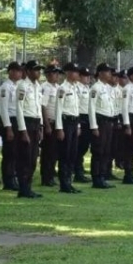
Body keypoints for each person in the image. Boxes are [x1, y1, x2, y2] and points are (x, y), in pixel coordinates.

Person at [15, 60, 44, 198]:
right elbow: (19, 109)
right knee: (25, 157)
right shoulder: (22, 85)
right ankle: (23, 188)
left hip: (35, 122)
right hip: (26, 122)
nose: (38, 72)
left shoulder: (37, 86)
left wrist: (41, 127)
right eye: (35, 70)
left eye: (39, 70)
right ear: (28, 71)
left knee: (33, 157)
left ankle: (28, 186)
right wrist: (23, 130)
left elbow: (38, 108)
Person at [55, 62, 81, 194]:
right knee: (64, 154)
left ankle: (69, 182)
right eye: (74, 72)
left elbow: (77, 109)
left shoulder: (76, 88)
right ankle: (64, 184)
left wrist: (78, 125)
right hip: (65, 122)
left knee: (72, 153)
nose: (77, 74)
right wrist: (59, 128)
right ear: (68, 73)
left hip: (74, 122)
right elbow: (58, 109)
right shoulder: (62, 88)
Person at [89, 62, 116, 189]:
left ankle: (102, 176)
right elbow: (91, 108)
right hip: (100, 122)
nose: (110, 74)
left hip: (108, 122)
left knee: (106, 151)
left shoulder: (106, 88)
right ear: (100, 73)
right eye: (107, 71)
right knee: (98, 151)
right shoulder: (96, 88)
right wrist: (94, 126)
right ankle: (96, 178)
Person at [0, 61, 22, 191]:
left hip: (18, 120)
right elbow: (4, 109)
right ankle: (8, 180)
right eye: (17, 71)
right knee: (9, 152)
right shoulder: (5, 87)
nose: (20, 73)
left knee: (16, 152)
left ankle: (14, 177)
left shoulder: (18, 86)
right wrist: (8, 128)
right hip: (10, 121)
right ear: (11, 72)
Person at [40, 64, 61, 187]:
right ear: (48, 75)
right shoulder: (45, 88)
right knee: (48, 151)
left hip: (57, 123)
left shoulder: (58, 87)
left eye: (58, 73)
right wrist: (46, 124)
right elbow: (43, 106)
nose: (57, 75)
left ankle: (51, 173)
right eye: (54, 73)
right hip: (49, 122)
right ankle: (46, 177)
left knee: (55, 151)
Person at [74, 67, 93, 183]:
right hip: (80, 118)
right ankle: (78, 172)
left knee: (84, 146)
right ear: (79, 77)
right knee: (79, 147)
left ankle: (79, 169)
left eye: (89, 76)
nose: (88, 78)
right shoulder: (77, 88)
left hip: (87, 118)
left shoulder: (87, 88)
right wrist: (78, 124)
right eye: (85, 76)